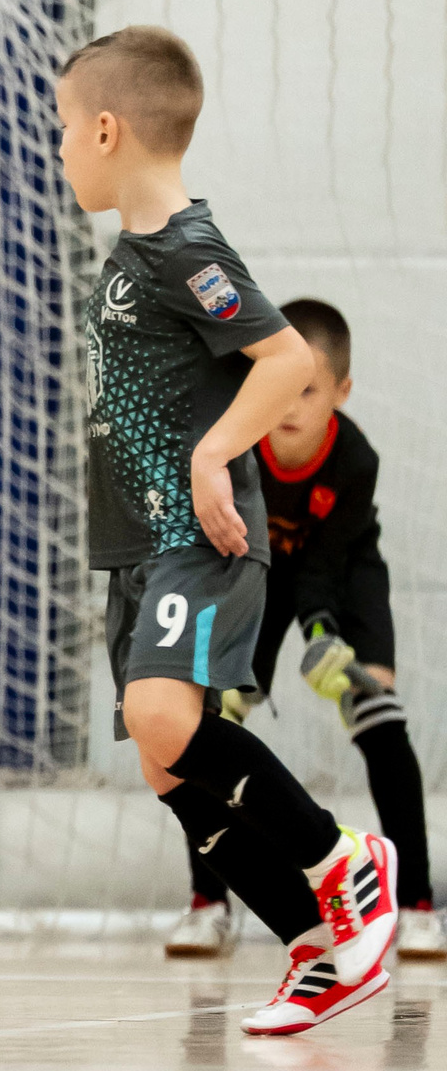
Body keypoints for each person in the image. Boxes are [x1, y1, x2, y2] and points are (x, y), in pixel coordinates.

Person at [60, 26, 396, 1037]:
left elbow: (286, 359)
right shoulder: (137, 251)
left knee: (168, 724)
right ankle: (313, 949)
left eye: (65, 129)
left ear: (109, 130)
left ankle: (348, 864)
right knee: (171, 768)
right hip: (135, 545)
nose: (63, 147)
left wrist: (213, 457)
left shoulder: (184, 250)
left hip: (191, 539)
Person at [166, 299, 439, 961]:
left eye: (308, 388)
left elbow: (323, 565)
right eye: (278, 384)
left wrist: (323, 635)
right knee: (205, 723)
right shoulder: (235, 444)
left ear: (342, 393)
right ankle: (210, 903)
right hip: (251, 573)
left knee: (375, 711)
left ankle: (419, 905)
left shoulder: (355, 459)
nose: (288, 403)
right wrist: (228, 661)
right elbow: (220, 546)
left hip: (344, 569)